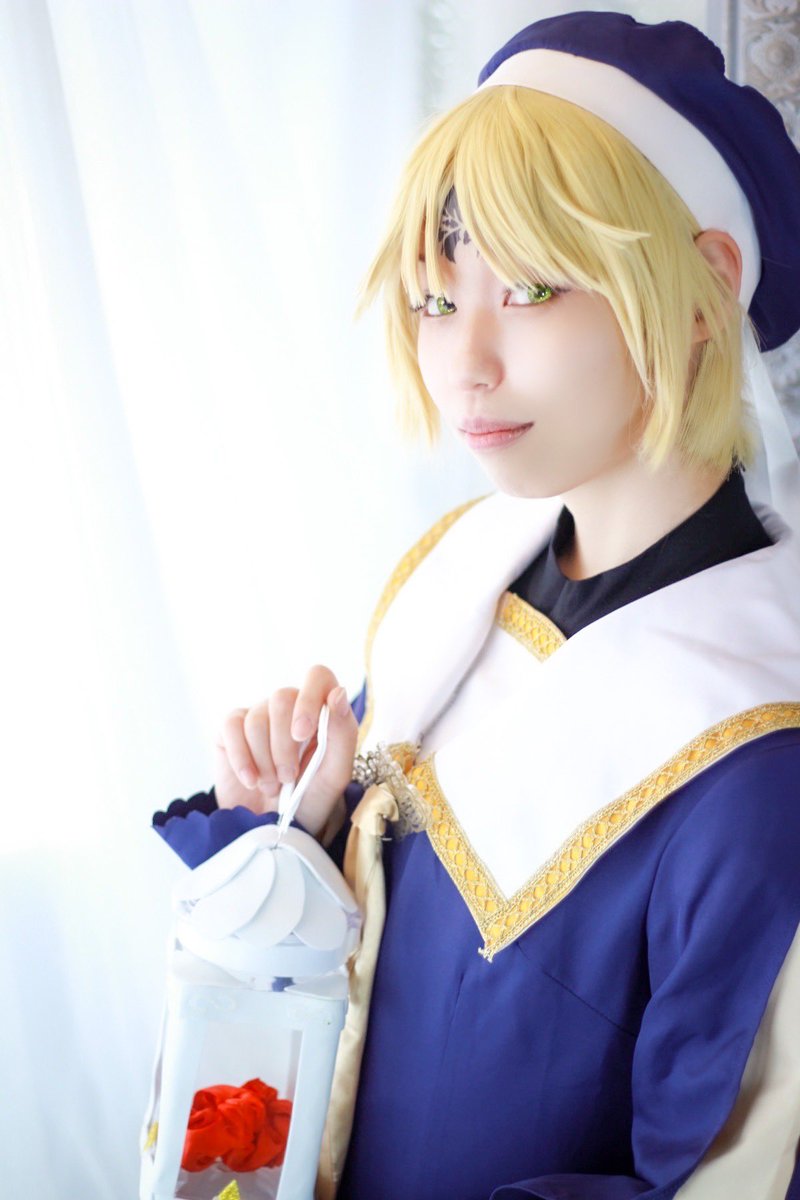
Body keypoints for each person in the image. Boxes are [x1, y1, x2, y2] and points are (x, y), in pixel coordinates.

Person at [153, 11, 800, 1199]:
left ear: (704, 290)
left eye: (532, 287)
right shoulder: (462, 573)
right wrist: (293, 826)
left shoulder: (757, 752)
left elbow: (714, 1178)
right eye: (433, 297)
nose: (463, 362)